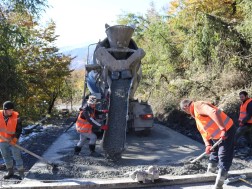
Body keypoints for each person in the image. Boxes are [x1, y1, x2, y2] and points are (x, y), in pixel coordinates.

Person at [180, 99, 235, 189]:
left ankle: (219, 184)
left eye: (185, 111)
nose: (187, 113)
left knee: (224, 155)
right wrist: (207, 145)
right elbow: (203, 132)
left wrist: (222, 129)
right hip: (216, 135)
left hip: (227, 129)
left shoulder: (198, 105)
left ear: (186, 107)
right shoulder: (196, 115)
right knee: (214, 152)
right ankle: (210, 172)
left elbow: (213, 112)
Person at [0, 101, 24, 179]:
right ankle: (10, 171)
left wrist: (15, 139)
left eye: (12, 110)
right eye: (9, 110)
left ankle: (21, 173)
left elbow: (19, 129)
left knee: (17, 155)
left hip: (13, 139)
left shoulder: (16, 116)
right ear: (4, 110)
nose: (11, 111)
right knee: (6, 156)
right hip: (2, 140)